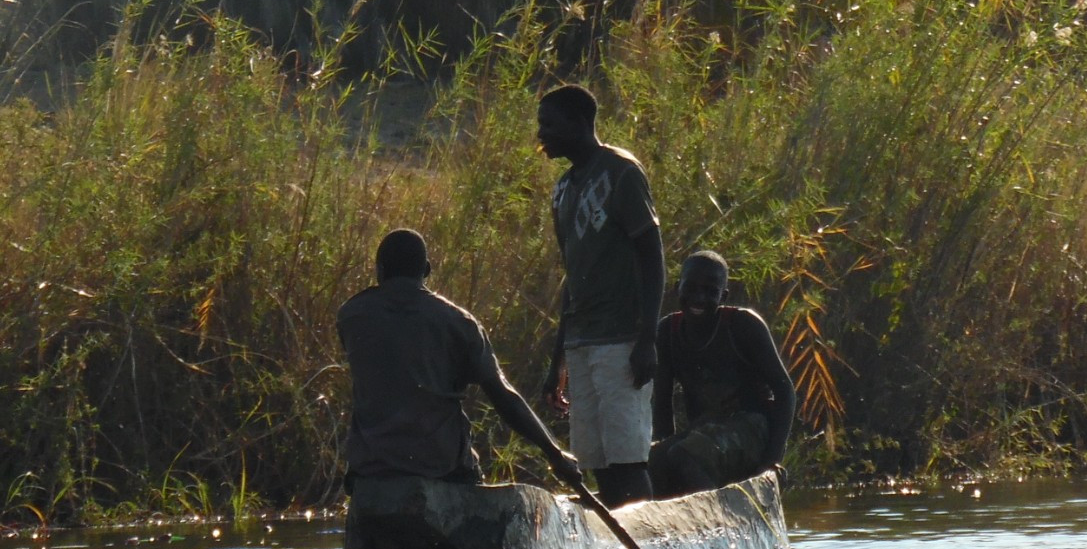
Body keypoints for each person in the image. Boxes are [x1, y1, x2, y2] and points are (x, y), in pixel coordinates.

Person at [338, 228, 578, 487]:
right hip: (440, 468)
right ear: (427, 270)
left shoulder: (352, 315)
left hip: (370, 470)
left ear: (380, 270)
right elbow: (504, 397)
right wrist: (555, 454)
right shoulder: (458, 323)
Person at [537, 84, 664, 506]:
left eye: (550, 125)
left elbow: (652, 256)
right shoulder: (562, 189)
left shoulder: (621, 173)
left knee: (627, 459)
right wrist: (558, 358)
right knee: (598, 462)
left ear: (580, 123)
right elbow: (572, 278)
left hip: (622, 340)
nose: (543, 135)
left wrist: (647, 338)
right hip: (582, 340)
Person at [648, 251, 797, 498]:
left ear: (723, 296)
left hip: (752, 427)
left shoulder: (743, 325)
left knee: (684, 456)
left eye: (709, 291)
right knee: (651, 462)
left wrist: (772, 460)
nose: (699, 298)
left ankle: (718, 518)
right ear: (677, 288)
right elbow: (662, 401)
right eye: (691, 288)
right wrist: (662, 449)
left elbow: (785, 392)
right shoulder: (667, 332)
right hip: (704, 429)